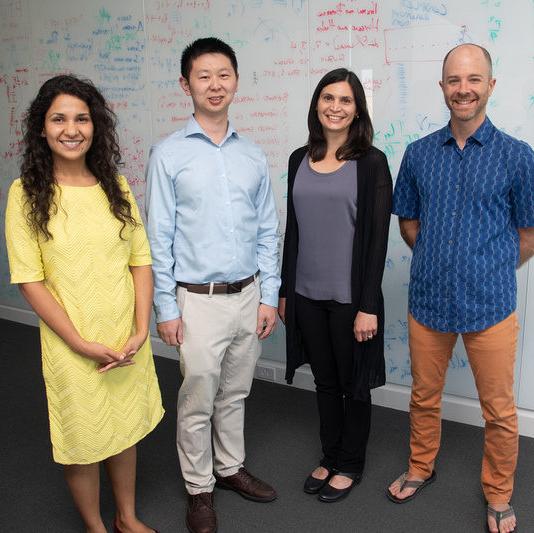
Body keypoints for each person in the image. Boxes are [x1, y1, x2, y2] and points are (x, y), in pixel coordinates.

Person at [5, 75, 164, 533]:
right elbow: (30, 280)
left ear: (96, 127)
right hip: (71, 341)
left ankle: (127, 518)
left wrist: (139, 330)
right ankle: (96, 528)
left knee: (124, 429)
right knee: (84, 438)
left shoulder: (114, 185)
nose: (71, 129)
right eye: (59, 119)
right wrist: (79, 342)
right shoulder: (26, 194)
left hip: (125, 334)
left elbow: (140, 259)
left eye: (81, 118)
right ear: (42, 128)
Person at [387, 44, 534, 533]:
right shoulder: (419, 153)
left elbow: (529, 234)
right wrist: (439, 259)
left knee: (499, 410)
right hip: (428, 300)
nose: (463, 89)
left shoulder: (518, 157)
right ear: (443, 87)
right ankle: (420, 467)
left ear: (490, 85)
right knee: (423, 397)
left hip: (491, 304)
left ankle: (498, 493)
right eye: (454, 80)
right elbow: (409, 221)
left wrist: (488, 267)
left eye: (473, 80)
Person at [145, 37, 280, 533]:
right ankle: (199, 489)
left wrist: (268, 295)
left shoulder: (252, 155)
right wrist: (166, 306)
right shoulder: (168, 154)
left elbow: (268, 229)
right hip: (196, 301)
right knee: (198, 397)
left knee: (235, 392)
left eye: (223, 74)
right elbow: (158, 237)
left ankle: (229, 468)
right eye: (203, 76)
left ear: (236, 81)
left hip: (248, 296)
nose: (215, 84)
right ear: (187, 84)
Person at [278, 68, 392, 503]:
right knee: (325, 381)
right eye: (328, 97)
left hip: (350, 301)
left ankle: (351, 463)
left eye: (345, 100)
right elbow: (295, 232)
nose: (335, 107)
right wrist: (286, 291)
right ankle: (330, 454)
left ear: (357, 109)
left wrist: (368, 306)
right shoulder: (297, 159)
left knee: (353, 383)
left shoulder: (371, 162)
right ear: (317, 104)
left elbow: (377, 240)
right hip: (306, 295)